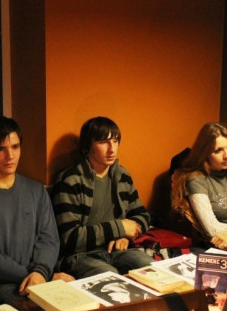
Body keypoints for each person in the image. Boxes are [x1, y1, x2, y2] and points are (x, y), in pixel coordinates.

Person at [0, 117, 73, 304]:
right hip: (2, 285)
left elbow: (49, 239)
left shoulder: (36, 190)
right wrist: (37, 276)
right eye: (0, 149)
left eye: (15, 147)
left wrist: (40, 273)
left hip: (40, 276)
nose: (10, 155)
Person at [51, 116, 152, 279]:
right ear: (88, 146)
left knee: (152, 269)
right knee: (111, 279)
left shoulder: (122, 176)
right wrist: (119, 227)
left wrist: (124, 235)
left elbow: (143, 216)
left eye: (115, 141)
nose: (112, 149)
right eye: (104, 142)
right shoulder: (71, 180)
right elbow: (70, 238)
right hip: (80, 255)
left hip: (116, 250)